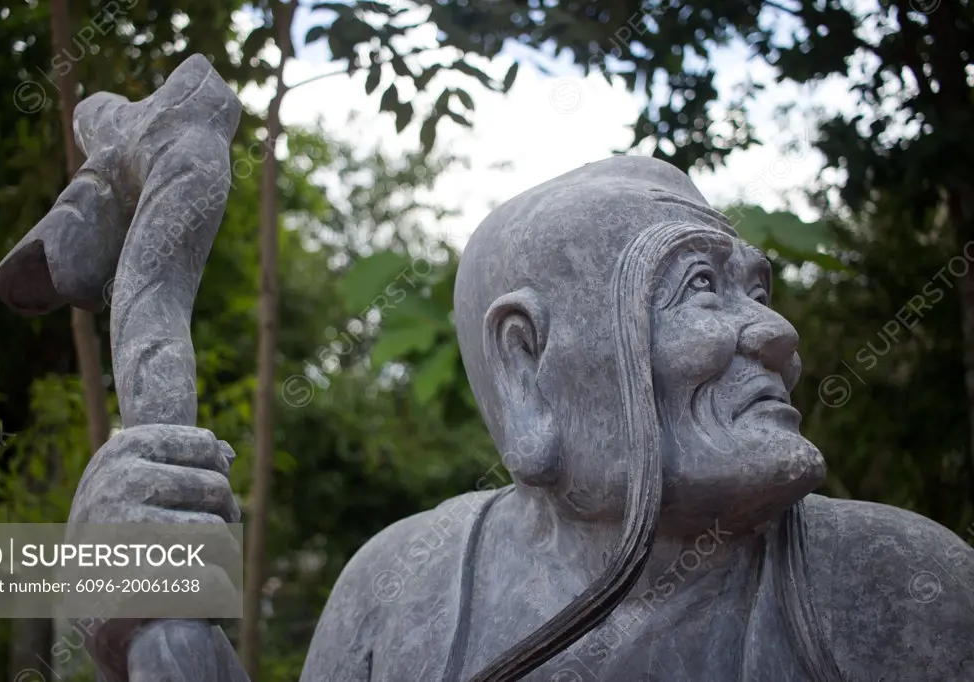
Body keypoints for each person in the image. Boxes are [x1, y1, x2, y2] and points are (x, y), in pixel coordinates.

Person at [71, 156, 974, 681]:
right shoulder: (401, 591)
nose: (777, 333)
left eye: (758, 289)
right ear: (526, 362)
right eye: (699, 288)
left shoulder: (896, 585)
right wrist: (131, 596)